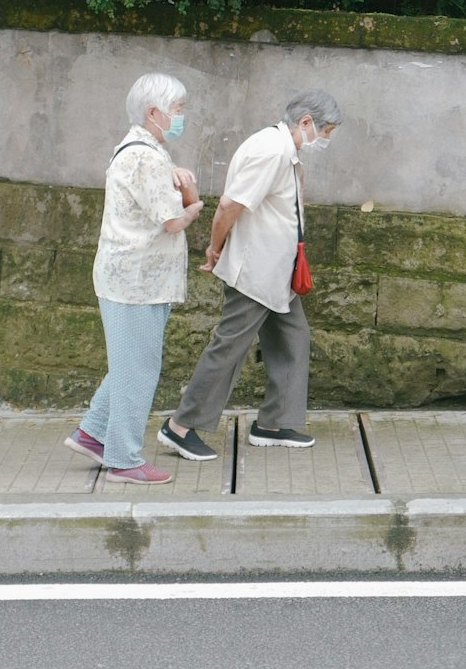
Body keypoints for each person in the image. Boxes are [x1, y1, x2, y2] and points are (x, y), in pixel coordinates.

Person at [157, 88, 342, 462]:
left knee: (294, 338)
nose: (325, 139)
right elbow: (229, 205)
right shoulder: (271, 151)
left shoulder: (281, 149)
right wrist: (215, 247)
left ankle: (273, 424)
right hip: (256, 272)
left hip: (276, 273)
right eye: (325, 132)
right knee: (229, 347)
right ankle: (179, 427)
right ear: (306, 122)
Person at [64, 72, 204, 484]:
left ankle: (92, 434)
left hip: (135, 279)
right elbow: (173, 219)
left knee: (130, 363)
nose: (181, 117)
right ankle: (123, 458)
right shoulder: (144, 156)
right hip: (135, 281)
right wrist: (194, 204)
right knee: (137, 369)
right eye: (177, 110)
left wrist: (179, 181)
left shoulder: (144, 152)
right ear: (153, 112)